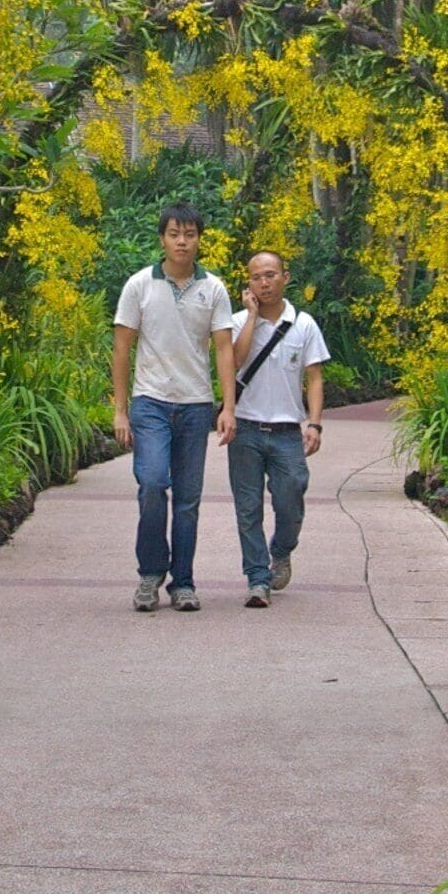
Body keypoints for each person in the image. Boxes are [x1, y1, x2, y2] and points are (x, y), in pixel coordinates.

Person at [110, 206, 231, 613]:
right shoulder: (139, 285)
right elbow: (122, 348)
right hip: (150, 404)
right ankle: (149, 573)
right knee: (152, 483)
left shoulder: (213, 288)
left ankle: (183, 582)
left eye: (190, 234)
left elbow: (224, 349)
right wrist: (120, 411)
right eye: (175, 233)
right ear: (162, 238)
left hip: (196, 406)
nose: (183, 241)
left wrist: (227, 406)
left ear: (200, 239)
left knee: (188, 500)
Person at [214, 247, 328, 607]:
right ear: (248, 283)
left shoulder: (304, 323)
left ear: (285, 277)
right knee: (247, 508)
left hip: (286, 432)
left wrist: (315, 424)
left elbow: (315, 377)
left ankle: (281, 549)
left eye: (270, 275)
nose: (263, 283)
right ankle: (257, 579)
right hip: (245, 428)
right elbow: (233, 361)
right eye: (256, 277)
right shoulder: (235, 321)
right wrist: (250, 317)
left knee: (291, 495)